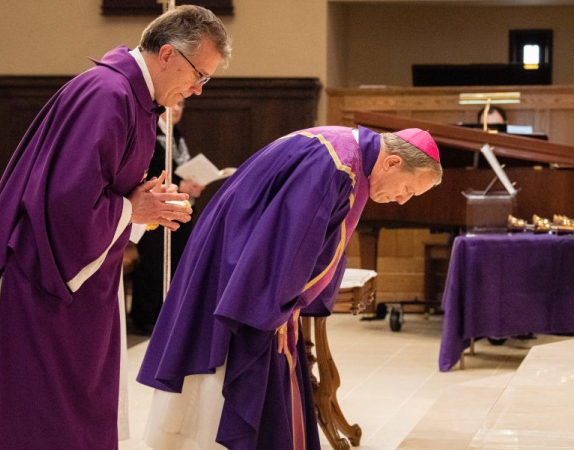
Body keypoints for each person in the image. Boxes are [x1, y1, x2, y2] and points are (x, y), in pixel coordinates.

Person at [0, 6, 231, 449]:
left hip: (80, 283)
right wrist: (133, 211)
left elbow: (103, 190)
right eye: (199, 74)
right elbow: (66, 207)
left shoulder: (133, 99)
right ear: (167, 55)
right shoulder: (108, 95)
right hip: (47, 283)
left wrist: (141, 208)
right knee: (47, 416)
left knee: (78, 409)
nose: (198, 90)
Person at [137, 125, 443, 450]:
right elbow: (291, 238)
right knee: (232, 375)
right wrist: (279, 305)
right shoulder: (337, 165)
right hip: (246, 280)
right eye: (407, 189)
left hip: (239, 261)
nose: (400, 200)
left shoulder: (341, 148)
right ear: (393, 163)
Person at [130, 99, 206, 335]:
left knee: (176, 260)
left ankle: (167, 312)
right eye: (175, 104)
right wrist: (177, 182)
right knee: (154, 262)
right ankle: (146, 316)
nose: (178, 110)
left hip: (176, 204)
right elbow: (149, 170)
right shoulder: (150, 132)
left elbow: (181, 165)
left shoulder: (176, 134)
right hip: (153, 205)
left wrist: (190, 184)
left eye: (183, 106)